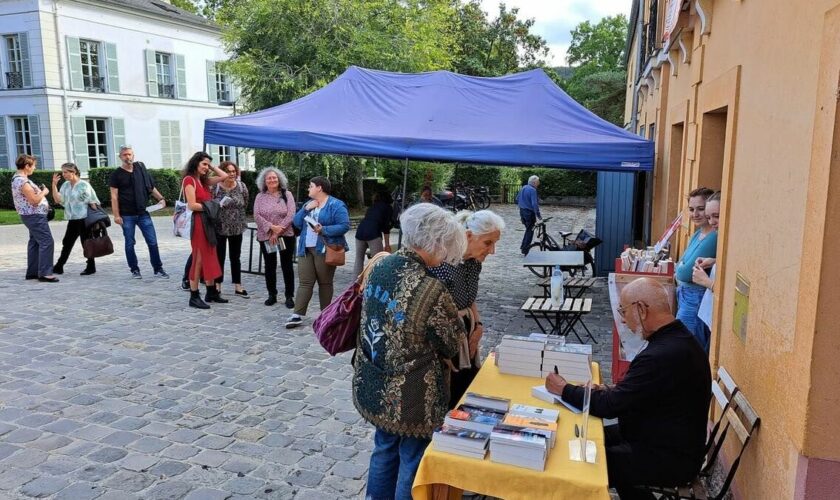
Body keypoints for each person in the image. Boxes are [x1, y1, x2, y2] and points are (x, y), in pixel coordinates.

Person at [546, 278, 711, 500]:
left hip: (668, 458)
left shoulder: (660, 355)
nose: (623, 320)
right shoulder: (679, 339)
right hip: (667, 441)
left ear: (641, 309)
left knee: (580, 460)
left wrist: (563, 388)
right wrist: (610, 388)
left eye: (624, 312)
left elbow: (608, 406)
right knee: (589, 437)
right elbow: (646, 390)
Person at [352, 203, 467, 500]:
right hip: (414, 393)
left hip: (375, 379)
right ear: (436, 242)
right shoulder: (431, 288)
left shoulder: (380, 265)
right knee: (413, 457)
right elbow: (451, 343)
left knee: (384, 448)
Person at [428, 209, 505, 408]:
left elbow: (469, 300)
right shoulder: (442, 262)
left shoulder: (473, 263)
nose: (492, 251)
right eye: (488, 243)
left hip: (465, 331)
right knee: (449, 396)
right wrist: (444, 349)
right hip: (444, 337)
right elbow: (431, 310)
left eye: (494, 243)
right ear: (469, 236)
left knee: (465, 391)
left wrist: (478, 326)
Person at [285, 176, 350, 328]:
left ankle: (325, 314)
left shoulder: (336, 204)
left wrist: (324, 229)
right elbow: (296, 222)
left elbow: (344, 225)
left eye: (311, 186)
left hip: (325, 248)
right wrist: (305, 209)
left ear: (319, 187)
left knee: (325, 283)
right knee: (305, 282)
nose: (308, 188)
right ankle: (297, 314)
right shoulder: (309, 204)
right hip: (305, 248)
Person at [109, 145, 169, 279]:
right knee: (130, 243)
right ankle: (134, 270)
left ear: (133, 155)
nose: (127, 157)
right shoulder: (116, 174)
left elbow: (150, 187)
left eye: (129, 154)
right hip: (126, 215)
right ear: (120, 157)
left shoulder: (140, 168)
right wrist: (116, 215)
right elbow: (114, 196)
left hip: (143, 213)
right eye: (124, 155)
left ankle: (158, 269)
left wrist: (161, 198)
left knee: (152, 242)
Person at [181, 152, 229, 309]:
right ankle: (194, 296)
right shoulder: (189, 180)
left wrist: (211, 165)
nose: (207, 167)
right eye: (204, 164)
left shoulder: (203, 180)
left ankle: (211, 292)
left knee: (210, 255)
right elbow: (191, 205)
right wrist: (212, 206)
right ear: (195, 163)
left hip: (208, 222)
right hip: (199, 222)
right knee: (199, 258)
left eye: (208, 165)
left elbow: (223, 176)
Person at [674, 187, 717, 351]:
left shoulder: (714, 236)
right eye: (691, 209)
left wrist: (682, 267)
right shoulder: (698, 233)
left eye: (701, 209)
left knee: (687, 346)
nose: (695, 214)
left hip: (695, 298)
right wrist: (682, 267)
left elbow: (684, 273)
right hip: (686, 295)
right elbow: (681, 265)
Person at [253, 167, 297, 307]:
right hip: (267, 236)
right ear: (264, 182)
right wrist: (271, 229)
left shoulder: (287, 194)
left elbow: (291, 214)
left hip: (285, 235)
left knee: (286, 265)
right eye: (269, 178)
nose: (272, 180)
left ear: (279, 179)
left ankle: (289, 296)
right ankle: (272, 294)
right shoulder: (260, 196)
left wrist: (278, 232)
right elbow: (257, 215)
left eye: (274, 178)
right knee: (270, 265)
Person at [11, 154, 58, 283]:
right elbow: (34, 200)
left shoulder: (19, 179)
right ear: (27, 166)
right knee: (47, 241)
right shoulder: (22, 181)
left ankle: (32, 272)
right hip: (34, 215)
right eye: (34, 166)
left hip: (32, 215)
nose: (34, 168)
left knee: (35, 242)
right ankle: (45, 273)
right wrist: (44, 192)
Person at [51, 162, 100, 276]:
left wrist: (96, 221)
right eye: (63, 172)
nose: (63, 174)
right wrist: (54, 185)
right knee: (67, 242)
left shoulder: (84, 185)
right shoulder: (66, 185)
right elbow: (58, 200)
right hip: (72, 218)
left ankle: (91, 266)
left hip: (84, 219)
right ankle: (59, 267)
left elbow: (93, 202)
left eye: (66, 172)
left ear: (74, 172)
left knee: (86, 243)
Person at [212, 161, 249, 298]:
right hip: (219, 227)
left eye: (234, 171)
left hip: (237, 227)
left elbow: (245, 202)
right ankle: (217, 285)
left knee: (235, 257)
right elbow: (210, 205)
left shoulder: (241, 186)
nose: (232, 174)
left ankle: (238, 285)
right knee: (219, 257)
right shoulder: (215, 187)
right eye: (228, 171)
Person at [692, 192, 721, 348]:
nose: (712, 222)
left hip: (712, 315)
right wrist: (714, 261)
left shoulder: (718, 237)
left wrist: (707, 282)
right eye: (709, 217)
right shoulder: (719, 235)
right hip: (707, 312)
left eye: (716, 216)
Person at [352, 190, 393, 279]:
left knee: (359, 259)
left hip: (360, 231)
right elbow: (386, 228)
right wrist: (387, 245)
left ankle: (354, 283)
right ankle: (375, 280)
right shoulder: (388, 208)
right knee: (378, 260)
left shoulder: (372, 207)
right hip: (373, 233)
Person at [516, 175, 541, 256]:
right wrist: (538, 215)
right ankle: (525, 249)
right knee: (530, 231)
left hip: (522, 212)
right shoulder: (533, 190)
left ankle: (523, 246)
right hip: (529, 213)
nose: (538, 183)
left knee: (528, 230)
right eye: (538, 182)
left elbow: (517, 199)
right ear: (534, 182)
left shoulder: (523, 187)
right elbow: (534, 204)